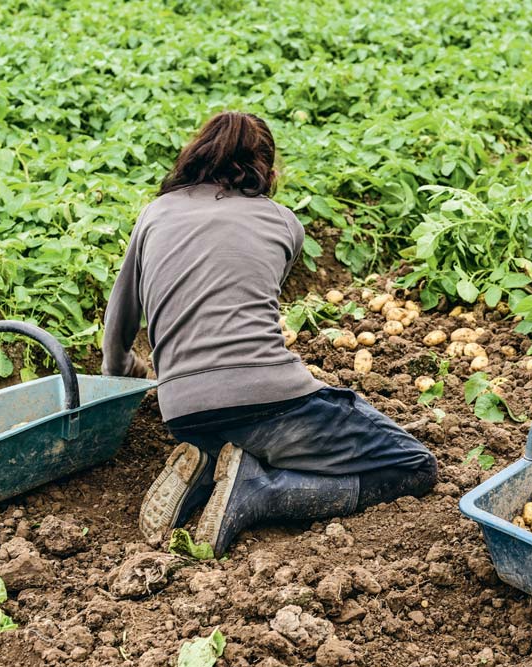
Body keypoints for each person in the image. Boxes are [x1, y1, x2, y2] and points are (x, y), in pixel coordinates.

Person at [101, 112, 437, 556]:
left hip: (182, 412)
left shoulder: (154, 214)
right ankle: (262, 492)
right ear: (266, 169)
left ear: (195, 156)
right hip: (272, 406)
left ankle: (207, 471)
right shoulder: (283, 223)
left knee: (236, 429)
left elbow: (117, 329)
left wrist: (131, 371)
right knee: (414, 466)